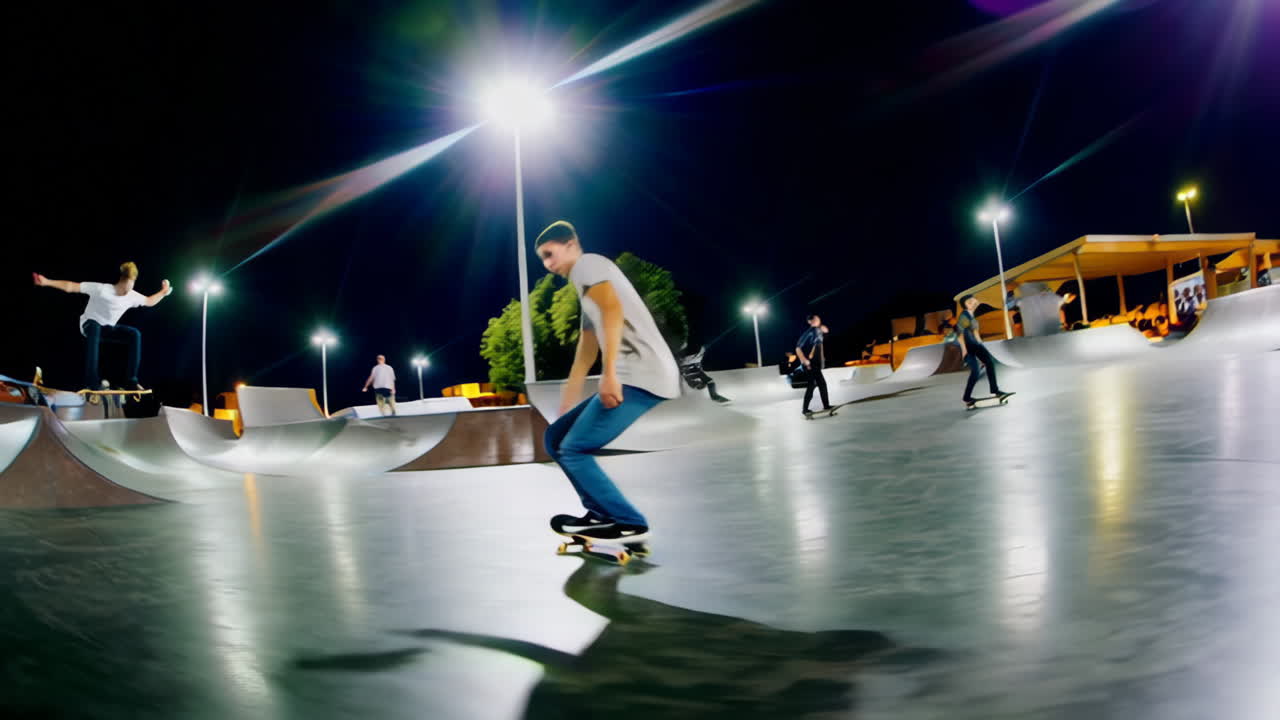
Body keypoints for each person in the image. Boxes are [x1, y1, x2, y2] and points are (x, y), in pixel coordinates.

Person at [537, 221, 681, 546]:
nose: (548, 264)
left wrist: (610, 372)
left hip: (643, 372)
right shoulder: (583, 283)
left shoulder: (588, 265)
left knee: (574, 449)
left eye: (550, 254)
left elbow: (613, 310)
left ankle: (629, 522)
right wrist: (569, 396)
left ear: (571, 244)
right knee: (555, 437)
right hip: (633, 372)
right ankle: (600, 514)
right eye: (542, 259)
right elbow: (586, 346)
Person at [32, 262, 171, 398]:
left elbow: (149, 301)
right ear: (122, 280)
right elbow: (71, 287)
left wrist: (163, 292)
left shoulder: (132, 296)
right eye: (129, 283)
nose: (130, 288)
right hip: (88, 325)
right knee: (95, 326)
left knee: (134, 334)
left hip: (107, 329)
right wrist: (46, 282)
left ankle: (131, 381)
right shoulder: (102, 289)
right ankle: (92, 382)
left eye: (133, 283)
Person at [956, 295, 1010, 408]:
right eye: (968, 302)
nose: (972, 303)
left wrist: (983, 345)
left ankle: (995, 390)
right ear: (965, 305)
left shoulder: (972, 316)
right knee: (975, 372)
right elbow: (960, 335)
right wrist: (964, 351)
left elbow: (976, 333)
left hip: (976, 345)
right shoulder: (964, 316)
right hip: (968, 347)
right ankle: (967, 398)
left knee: (989, 363)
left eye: (973, 301)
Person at [795, 314, 832, 416]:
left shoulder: (818, 331)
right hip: (809, 364)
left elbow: (823, 337)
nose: (818, 319)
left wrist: (822, 359)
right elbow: (798, 348)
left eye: (818, 318)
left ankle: (824, 405)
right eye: (816, 319)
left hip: (815, 364)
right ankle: (806, 409)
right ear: (810, 322)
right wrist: (804, 360)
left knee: (818, 385)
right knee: (815, 385)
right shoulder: (809, 332)